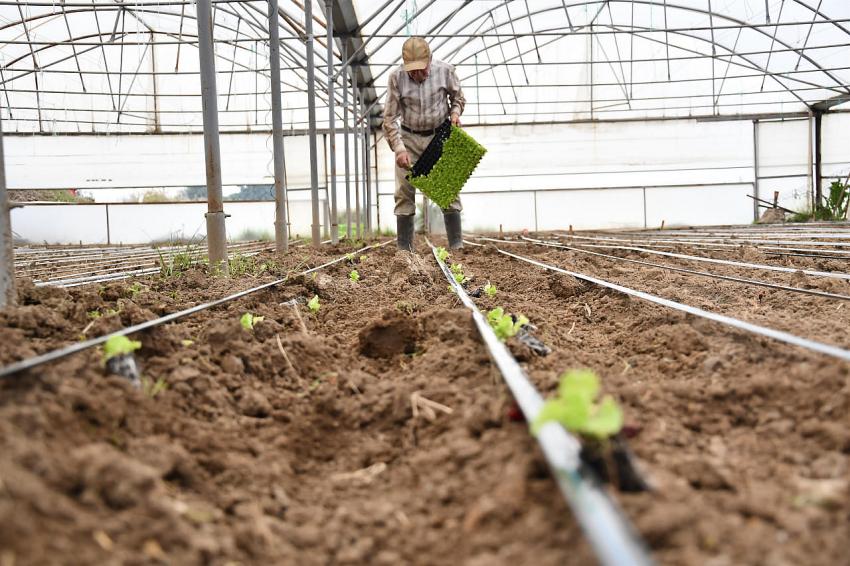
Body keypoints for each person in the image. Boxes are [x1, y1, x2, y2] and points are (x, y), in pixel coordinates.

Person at [382, 37, 466, 251]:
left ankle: (457, 246)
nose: (418, 74)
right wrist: (399, 149)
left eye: (422, 69)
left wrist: (455, 114)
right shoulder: (396, 78)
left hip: (439, 137)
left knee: (449, 189)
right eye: (413, 71)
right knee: (404, 191)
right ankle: (404, 250)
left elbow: (458, 98)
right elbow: (389, 118)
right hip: (409, 139)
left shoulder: (445, 71)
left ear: (430, 59)